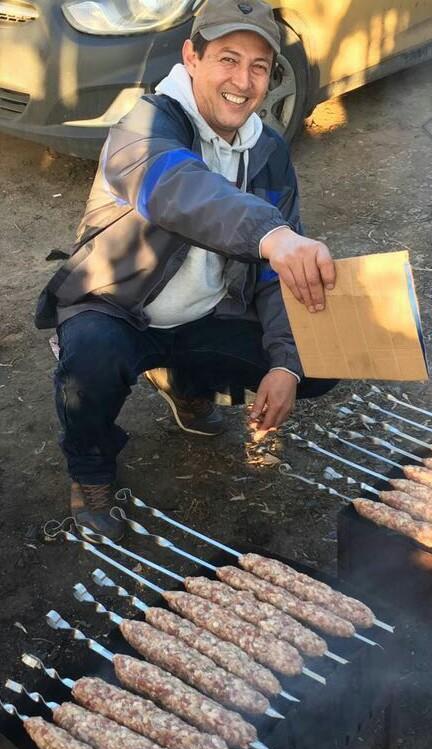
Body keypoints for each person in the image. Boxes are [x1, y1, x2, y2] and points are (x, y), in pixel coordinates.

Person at [35, 0, 337, 542]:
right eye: (227, 58)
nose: (242, 81)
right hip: (120, 306)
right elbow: (179, 190)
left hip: (203, 312)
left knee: (320, 358)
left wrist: (286, 366)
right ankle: (92, 472)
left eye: (259, 66)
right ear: (191, 57)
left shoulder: (267, 150)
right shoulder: (146, 123)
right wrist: (272, 234)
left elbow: (273, 277)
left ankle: (186, 382)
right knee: (91, 361)